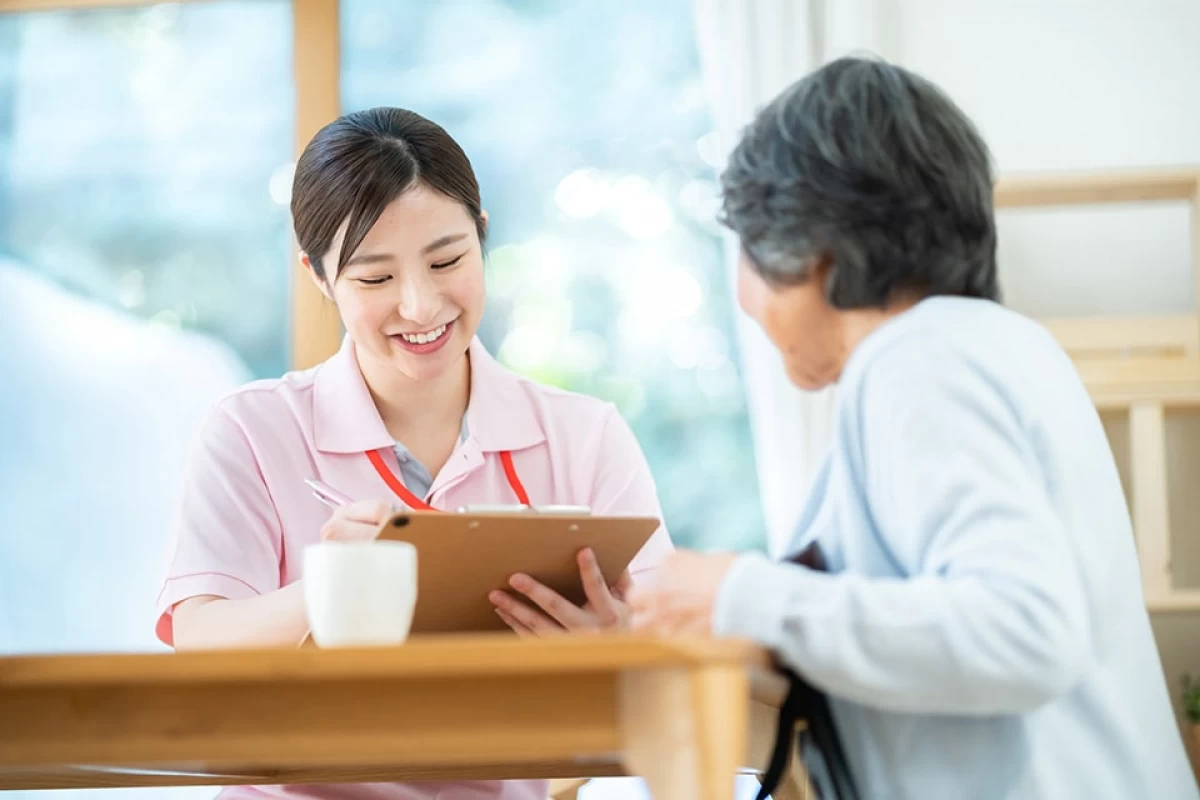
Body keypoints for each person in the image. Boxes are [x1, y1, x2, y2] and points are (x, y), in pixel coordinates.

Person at [628, 56, 1200, 799]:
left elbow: (1022, 633)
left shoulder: (918, 359)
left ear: (808, 250)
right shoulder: (994, 345)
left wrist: (742, 593)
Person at [155, 107, 673, 800]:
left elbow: (673, 641)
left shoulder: (585, 435)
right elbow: (201, 636)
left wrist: (620, 644)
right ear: (318, 276)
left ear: (482, 235)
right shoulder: (252, 427)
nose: (421, 306)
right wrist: (338, 587)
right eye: (374, 279)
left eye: (448, 260)